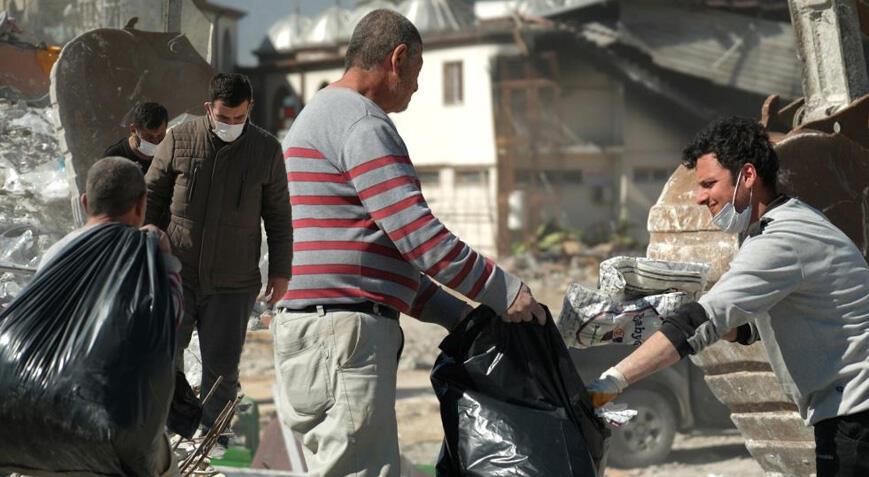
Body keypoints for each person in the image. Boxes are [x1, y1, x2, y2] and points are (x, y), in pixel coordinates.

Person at [275, 9, 545, 477]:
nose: (417, 88)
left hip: (317, 336)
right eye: (417, 74)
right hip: (342, 338)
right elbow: (419, 238)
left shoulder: (317, 115)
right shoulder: (361, 122)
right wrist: (506, 292)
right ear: (397, 60)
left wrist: (458, 316)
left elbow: (376, 258)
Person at [587, 116, 869, 476]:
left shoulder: (780, 240)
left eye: (709, 183)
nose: (700, 196)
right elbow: (748, 328)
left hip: (857, 414)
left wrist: (611, 381)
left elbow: (705, 321)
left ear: (748, 177)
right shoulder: (789, 223)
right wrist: (663, 313)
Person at [145, 73, 292, 437]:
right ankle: (161, 441)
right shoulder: (179, 139)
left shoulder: (266, 150)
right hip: (176, 274)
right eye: (223, 118)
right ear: (209, 109)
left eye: (238, 119)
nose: (230, 125)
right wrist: (146, 246)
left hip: (233, 281)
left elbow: (278, 215)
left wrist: (281, 271)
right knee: (163, 358)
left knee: (222, 371)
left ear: (250, 110)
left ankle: (214, 443)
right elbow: (150, 197)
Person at [38, 156, 182, 477]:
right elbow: (167, 329)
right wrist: (167, 260)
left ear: (85, 202)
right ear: (141, 206)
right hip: (113, 432)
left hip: (44, 422)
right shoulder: (144, 255)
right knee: (166, 465)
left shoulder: (54, 255)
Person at [104, 102, 169, 175]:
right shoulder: (114, 158)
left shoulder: (171, 152)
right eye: (149, 137)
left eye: (160, 136)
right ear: (133, 130)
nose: (155, 142)